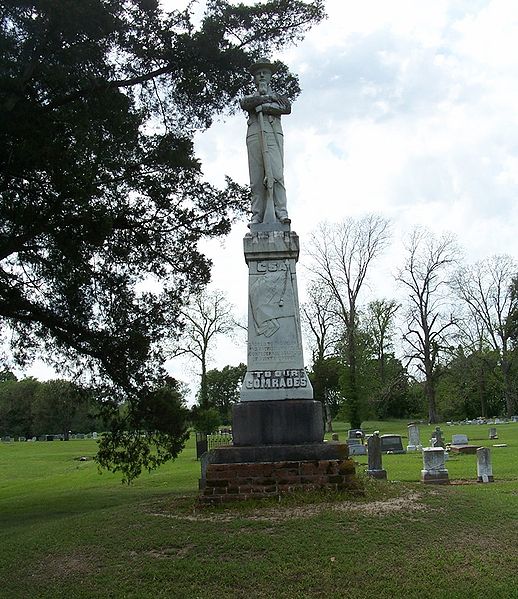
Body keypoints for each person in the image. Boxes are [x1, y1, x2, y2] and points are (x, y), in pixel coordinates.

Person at [240, 59, 291, 226]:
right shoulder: (250, 97)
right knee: (256, 178)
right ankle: (257, 215)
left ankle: (281, 212)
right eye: (258, 73)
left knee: (276, 174)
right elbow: (246, 104)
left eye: (265, 72)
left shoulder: (279, 97)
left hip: (272, 132)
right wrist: (267, 100)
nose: (261, 75)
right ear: (254, 78)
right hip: (255, 132)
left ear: (270, 76)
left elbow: (287, 108)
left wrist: (266, 107)